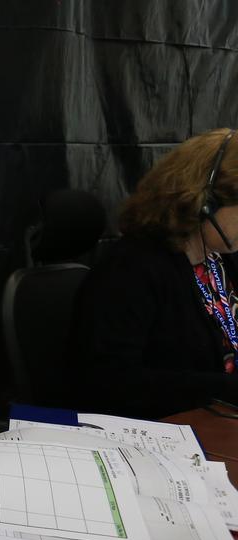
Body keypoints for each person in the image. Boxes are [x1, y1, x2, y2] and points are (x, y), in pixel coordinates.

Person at [70, 128, 238, 418]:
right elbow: (109, 383)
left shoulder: (220, 257)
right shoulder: (131, 270)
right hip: (170, 431)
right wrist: (224, 388)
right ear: (205, 202)